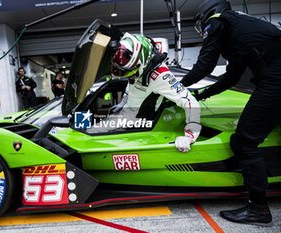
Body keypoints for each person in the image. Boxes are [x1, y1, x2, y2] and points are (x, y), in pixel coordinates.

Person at [180, 0, 281, 226]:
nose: (203, 33)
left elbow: (205, 64)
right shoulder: (239, 31)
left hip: (275, 81)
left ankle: (258, 209)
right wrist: (199, 94)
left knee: (244, 142)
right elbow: (230, 78)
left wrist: (178, 88)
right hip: (276, 78)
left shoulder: (219, 21)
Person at [90, 33, 201, 153]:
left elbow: (190, 102)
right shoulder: (135, 65)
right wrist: (123, 101)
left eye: (125, 72)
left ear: (142, 63)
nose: (120, 75)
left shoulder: (161, 76)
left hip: (142, 131)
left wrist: (189, 136)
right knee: (90, 132)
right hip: (126, 118)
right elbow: (132, 85)